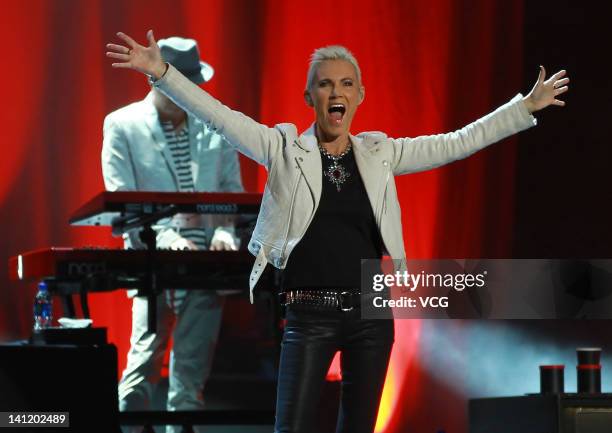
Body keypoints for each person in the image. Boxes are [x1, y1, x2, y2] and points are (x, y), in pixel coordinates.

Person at [106, 30, 569, 433]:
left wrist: (523, 108)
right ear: (310, 97)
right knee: (293, 426)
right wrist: (162, 72)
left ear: (360, 95)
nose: (335, 92)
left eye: (346, 83)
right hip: (309, 317)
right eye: (324, 84)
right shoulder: (283, 147)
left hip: (371, 314)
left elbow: (456, 143)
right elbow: (218, 116)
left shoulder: (380, 152)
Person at [102, 36, 243, 433]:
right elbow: (122, 202)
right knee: (143, 363)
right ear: (156, 79)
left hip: (206, 270)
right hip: (153, 261)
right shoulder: (123, 125)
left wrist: (226, 236)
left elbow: (233, 195)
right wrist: (164, 240)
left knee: (190, 379)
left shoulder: (215, 125)